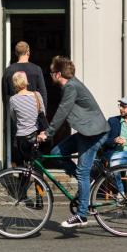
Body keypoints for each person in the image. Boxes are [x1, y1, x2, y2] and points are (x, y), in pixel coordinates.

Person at [37, 56, 109, 228]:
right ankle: (88, 180)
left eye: (51, 73)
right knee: (55, 154)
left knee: (82, 172)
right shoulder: (70, 86)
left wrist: (48, 133)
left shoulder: (71, 87)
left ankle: (81, 215)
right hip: (86, 132)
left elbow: (63, 111)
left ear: (58, 74)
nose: (50, 76)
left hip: (94, 133)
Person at [9, 71, 45, 164]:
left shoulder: (13, 99)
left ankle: (23, 178)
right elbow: (42, 113)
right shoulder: (37, 95)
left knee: (22, 166)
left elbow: (13, 117)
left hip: (21, 137)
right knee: (37, 163)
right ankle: (38, 178)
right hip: (34, 135)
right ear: (26, 81)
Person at [2, 41, 47, 108]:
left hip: (15, 111)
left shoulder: (8, 70)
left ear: (16, 53)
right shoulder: (37, 69)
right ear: (28, 52)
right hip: (33, 111)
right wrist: (43, 111)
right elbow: (43, 92)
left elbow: (5, 95)